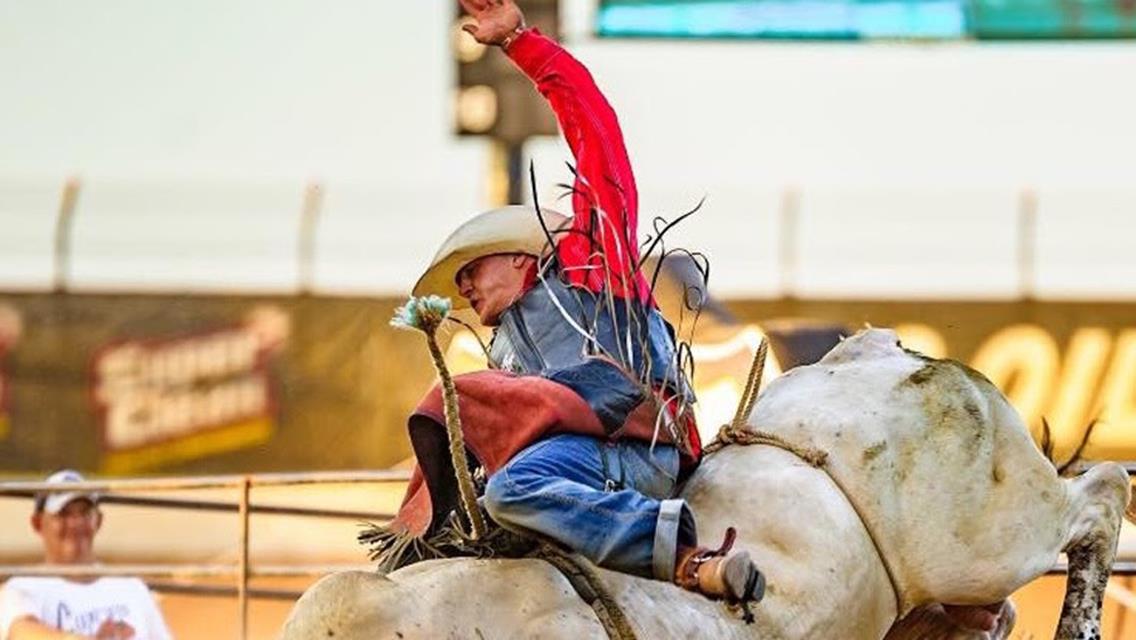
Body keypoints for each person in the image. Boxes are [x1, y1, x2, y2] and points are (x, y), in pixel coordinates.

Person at [403, 0, 763, 605]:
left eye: (471, 269)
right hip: (573, 464)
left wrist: (520, 40)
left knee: (512, 490)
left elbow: (595, 128)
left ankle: (677, 550)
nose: (461, 287)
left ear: (521, 255)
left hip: (632, 450)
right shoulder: (503, 357)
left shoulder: (593, 263)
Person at [0, 470, 173, 640]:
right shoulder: (22, 587)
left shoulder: (132, 587)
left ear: (98, 520)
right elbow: (22, 632)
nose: (76, 523)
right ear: (37, 523)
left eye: (84, 512)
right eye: (63, 514)